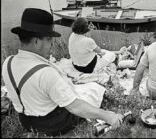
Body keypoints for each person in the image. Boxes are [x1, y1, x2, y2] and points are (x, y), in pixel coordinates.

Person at [1, 8, 123, 136]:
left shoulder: (8, 62)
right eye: (49, 39)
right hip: (52, 124)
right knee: (91, 91)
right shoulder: (46, 73)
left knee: (81, 90)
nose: (52, 44)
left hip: (25, 121)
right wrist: (107, 116)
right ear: (36, 42)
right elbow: (75, 107)